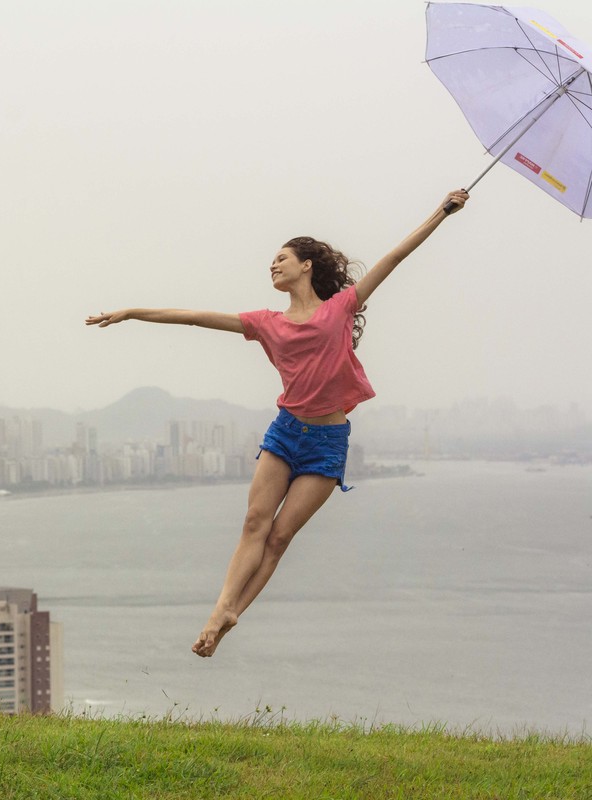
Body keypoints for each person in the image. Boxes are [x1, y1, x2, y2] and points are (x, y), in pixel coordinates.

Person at [85, 189, 469, 657]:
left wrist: (442, 212)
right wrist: (131, 312)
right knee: (254, 523)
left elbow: (396, 256)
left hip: (328, 442)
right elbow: (192, 318)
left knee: (280, 537)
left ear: (307, 264)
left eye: (281, 258)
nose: (273, 265)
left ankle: (231, 614)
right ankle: (219, 608)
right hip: (286, 433)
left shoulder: (340, 308)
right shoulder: (266, 322)